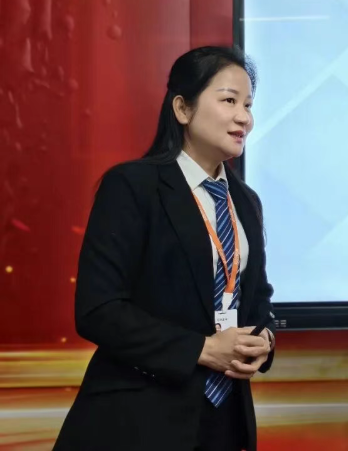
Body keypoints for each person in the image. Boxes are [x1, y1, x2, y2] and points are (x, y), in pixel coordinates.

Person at [54, 46, 275, 451]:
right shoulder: (134, 187)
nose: (244, 117)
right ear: (183, 109)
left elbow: (258, 299)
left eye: (248, 105)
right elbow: (98, 310)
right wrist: (203, 350)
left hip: (223, 423)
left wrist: (265, 341)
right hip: (138, 419)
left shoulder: (246, 202)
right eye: (229, 101)